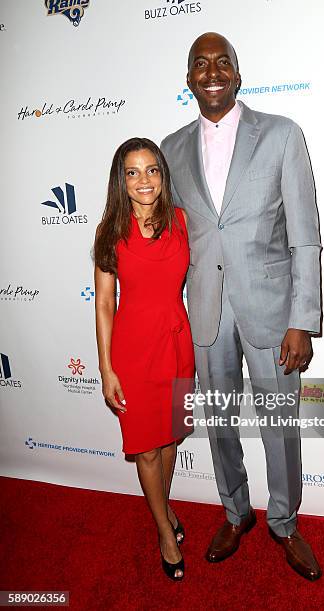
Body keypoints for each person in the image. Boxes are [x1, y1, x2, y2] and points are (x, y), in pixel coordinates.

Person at [161, 33, 322, 581]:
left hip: (273, 310)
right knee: (220, 420)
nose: (211, 72)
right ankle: (236, 511)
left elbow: (305, 235)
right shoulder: (171, 149)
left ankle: (284, 520)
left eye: (221, 62)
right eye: (200, 65)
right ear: (189, 79)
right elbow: (169, 237)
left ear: (237, 73)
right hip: (206, 308)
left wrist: (303, 317)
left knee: (279, 422)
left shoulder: (281, 135)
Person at [94, 138, 194, 581]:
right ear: (122, 180)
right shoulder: (110, 231)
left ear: (163, 174)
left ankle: (164, 507)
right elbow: (102, 303)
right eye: (132, 172)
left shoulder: (181, 220)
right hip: (133, 353)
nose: (144, 180)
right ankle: (163, 532)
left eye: (151, 169)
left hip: (177, 346)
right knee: (148, 451)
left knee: (170, 439)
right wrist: (105, 368)